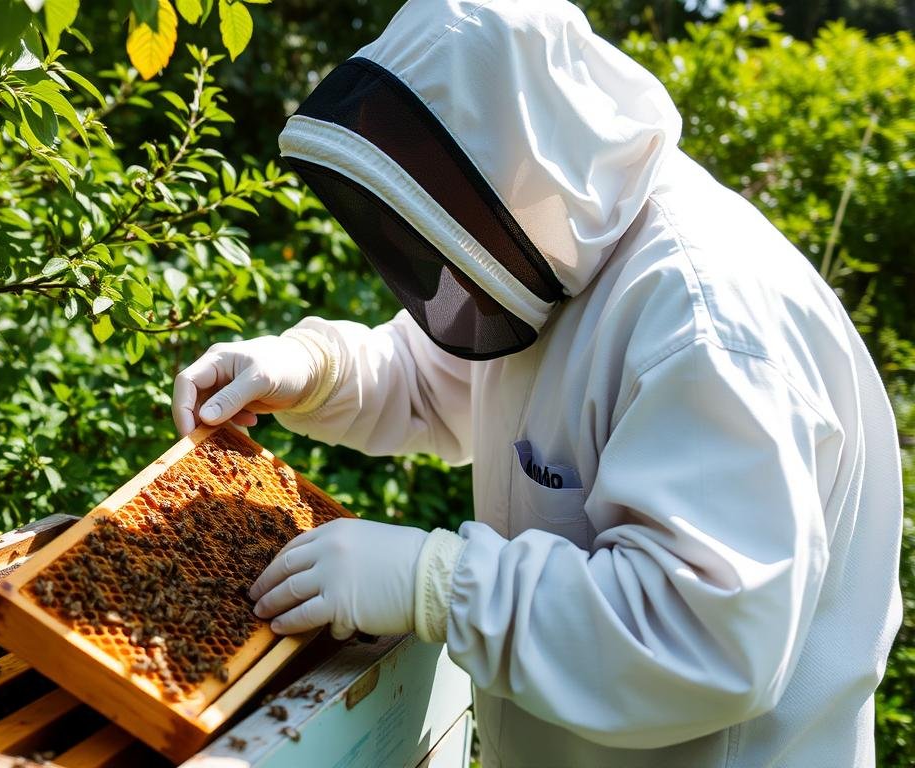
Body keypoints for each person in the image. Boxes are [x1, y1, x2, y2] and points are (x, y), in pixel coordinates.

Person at [170, 0, 903, 765]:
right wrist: (313, 369)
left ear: (516, 149)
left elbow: (705, 637)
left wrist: (439, 584)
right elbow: (445, 377)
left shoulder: (705, 322)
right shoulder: (561, 242)